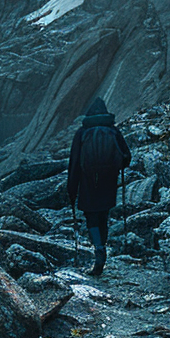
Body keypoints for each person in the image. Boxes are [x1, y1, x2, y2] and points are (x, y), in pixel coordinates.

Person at [67, 96, 131, 276]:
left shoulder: (82, 133)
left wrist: (72, 191)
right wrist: (112, 168)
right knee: (103, 215)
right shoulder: (112, 130)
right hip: (108, 181)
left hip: (88, 183)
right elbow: (127, 157)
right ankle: (103, 251)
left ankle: (99, 251)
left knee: (91, 217)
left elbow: (74, 164)